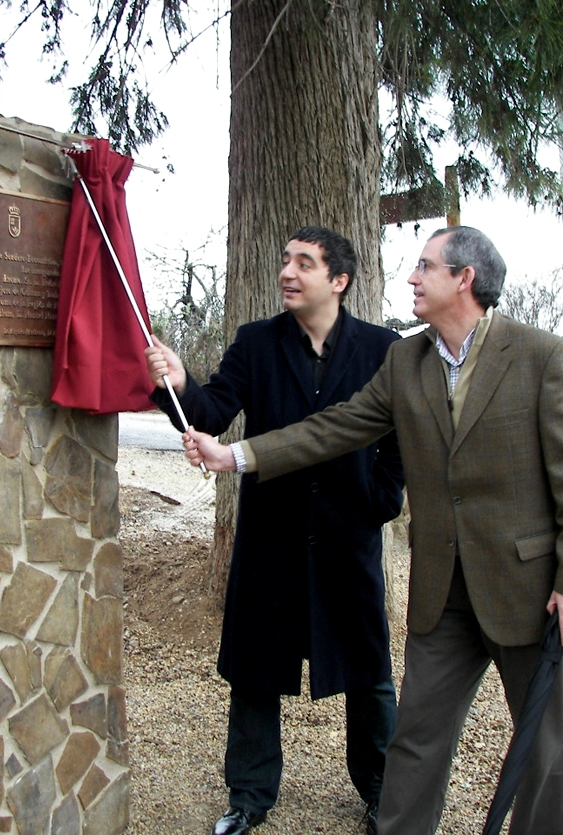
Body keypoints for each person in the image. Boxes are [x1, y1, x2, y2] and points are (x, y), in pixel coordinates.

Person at [183, 226, 563, 835]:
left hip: (528, 591)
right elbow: (336, 427)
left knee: (539, 748)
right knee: (414, 740)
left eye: (426, 267)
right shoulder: (406, 360)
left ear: (463, 279)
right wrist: (236, 456)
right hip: (443, 595)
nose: (412, 277)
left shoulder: (540, 356)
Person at [145, 225, 405, 835]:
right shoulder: (256, 342)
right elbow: (212, 412)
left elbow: (399, 435)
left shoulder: (382, 348)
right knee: (255, 671)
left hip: (348, 535)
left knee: (368, 671)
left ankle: (383, 792)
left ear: (338, 281)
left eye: (304, 263)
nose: (287, 272)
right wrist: (178, 384)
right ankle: (249, 796)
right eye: (286, 260)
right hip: (271, 536)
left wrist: (380, 499)